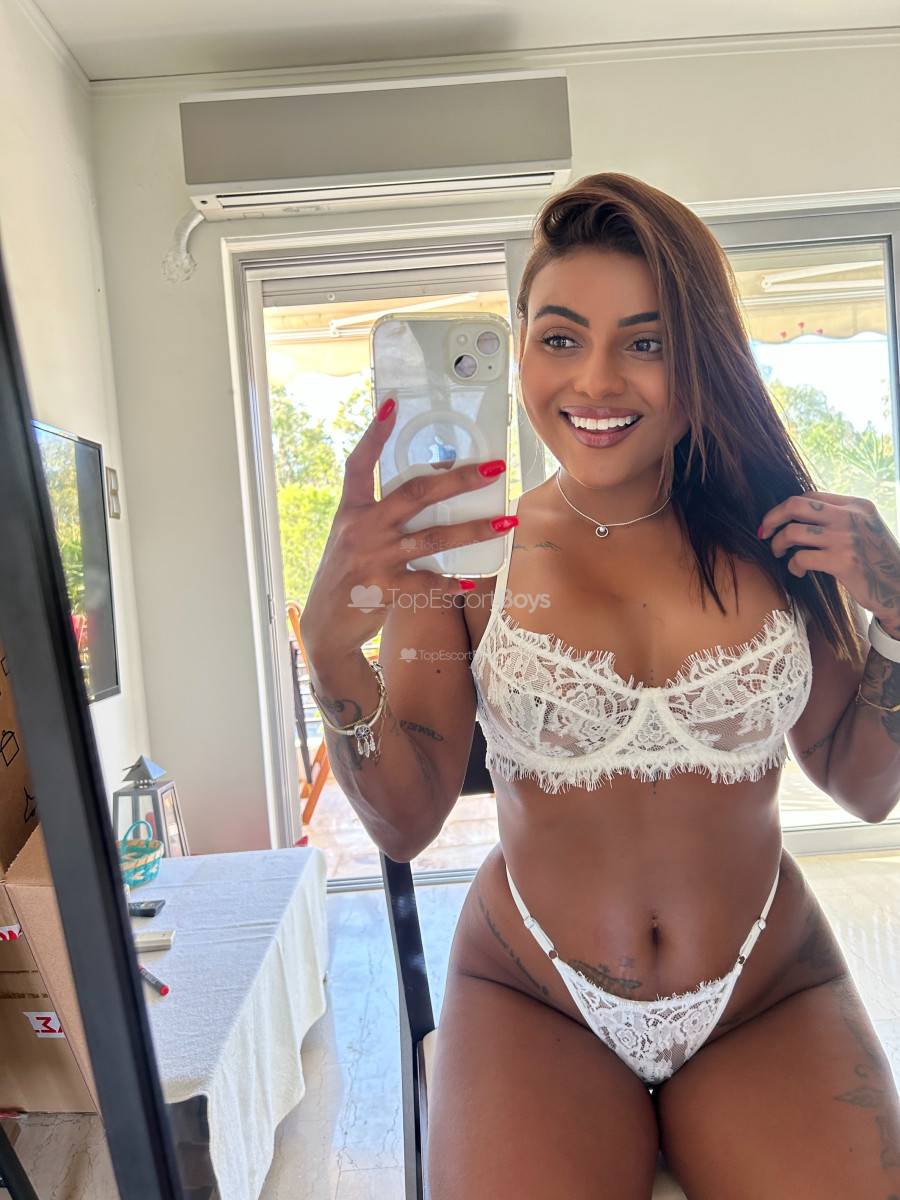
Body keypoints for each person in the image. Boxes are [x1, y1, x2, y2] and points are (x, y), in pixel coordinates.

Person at [300, 172, 900, 1199]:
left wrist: (899, 619)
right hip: (534, 995)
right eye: (561, 338)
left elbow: (866, 784)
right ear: (523, 349)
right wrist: (330, 653)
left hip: (765, 991)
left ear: (701, 356)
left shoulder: (777, 531)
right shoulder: (463, 557)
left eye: (647, 342)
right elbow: (403, 821)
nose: (596, 381)